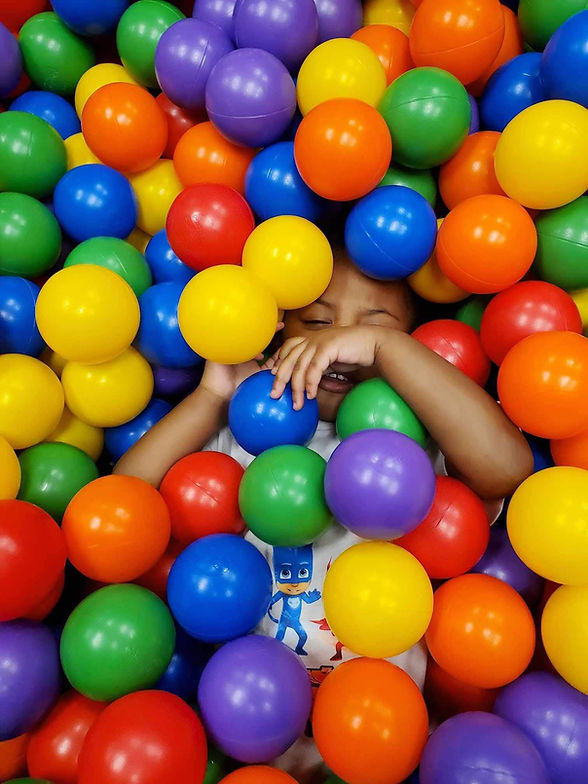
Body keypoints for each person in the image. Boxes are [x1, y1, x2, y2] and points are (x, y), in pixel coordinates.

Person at [114, 249, 533, 782]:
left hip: (382, 737)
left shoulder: (409, 448)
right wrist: (212, 395)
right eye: (317, 322)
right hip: (246, 729)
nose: (338, 341)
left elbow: (507, 469)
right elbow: (121, 510)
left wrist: (385, 350)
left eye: (375, 325)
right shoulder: (245, 437)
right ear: (279, 332)